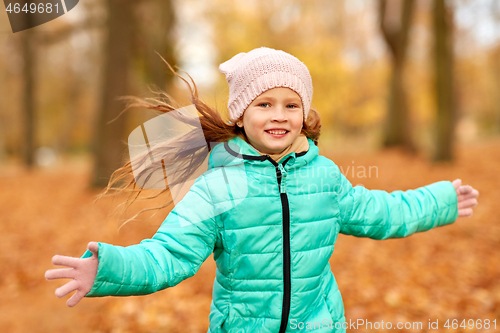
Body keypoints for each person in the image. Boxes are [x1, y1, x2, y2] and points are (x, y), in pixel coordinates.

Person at [45, 47, 479, 333]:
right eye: (264, 104)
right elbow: (169, 254)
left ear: (304, 112)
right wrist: (106, 269)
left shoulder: (324, 177)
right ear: (240, 114)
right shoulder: (218, 187)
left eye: (291, 105)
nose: (279, 115)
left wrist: (441, 201)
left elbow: (384, 212)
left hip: (320, 324)